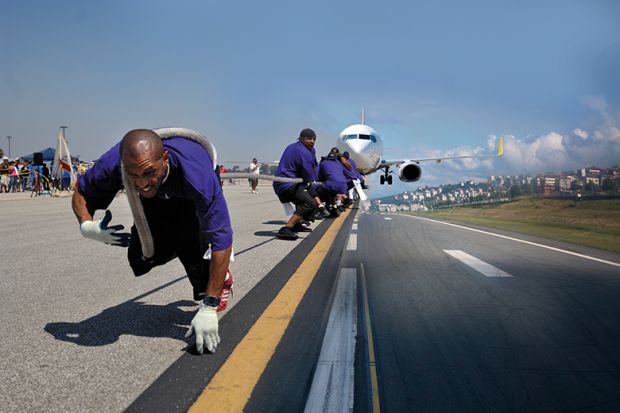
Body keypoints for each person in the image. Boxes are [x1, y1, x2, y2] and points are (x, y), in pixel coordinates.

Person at [71, 129, 233, 354]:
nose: (142, 183)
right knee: (141, 258)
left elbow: (222, 239)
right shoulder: (112, 164)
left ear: (164, 159)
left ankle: (214, 273)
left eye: (148, 172)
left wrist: (210, 306)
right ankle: (179, 243)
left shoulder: (199, 178)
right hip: (159, 195)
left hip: (186, 191)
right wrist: (86, 226)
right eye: (133, 174)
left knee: (195, 250)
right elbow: (81, 193)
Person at [272, 128, 321, 240]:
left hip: (283, 183)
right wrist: (313, 181)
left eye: (314, 139)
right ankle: (286, 228)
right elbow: (308, 174)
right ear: (301, 138)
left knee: (302, 201)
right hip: (287, 184)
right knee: (309, 204)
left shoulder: (293, 146)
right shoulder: (303, 152)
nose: (312, 141)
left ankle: (296, 225)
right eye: (309, 139)